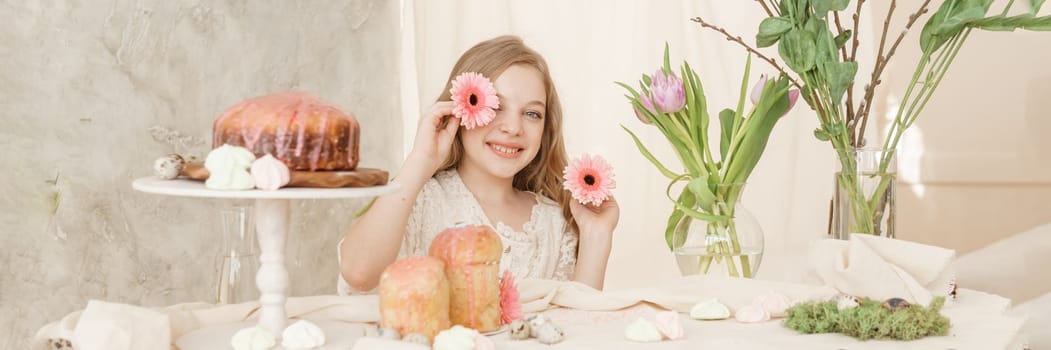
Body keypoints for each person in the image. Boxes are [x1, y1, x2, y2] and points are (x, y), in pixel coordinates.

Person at [338, 35, 618, 294]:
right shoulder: (419, 201)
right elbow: (358, 272)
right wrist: (421, 159)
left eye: (532, 113)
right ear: (460, 108)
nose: (512, 127)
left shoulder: (553, 223)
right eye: (495, 106)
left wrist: (596, 235)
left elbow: (579, 327)